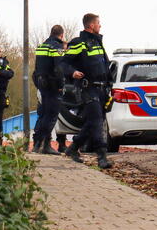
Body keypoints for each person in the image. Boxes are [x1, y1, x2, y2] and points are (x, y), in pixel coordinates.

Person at [60, 13, 113, 169]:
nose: (100, 26)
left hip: (102, 89)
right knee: (97, 122)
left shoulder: (97, 42)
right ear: (91, 25)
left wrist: (110, 85)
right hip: (88, 88)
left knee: (92, 122)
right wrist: (72, 72)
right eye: (98, 23)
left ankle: (72, 148)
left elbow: (105, 66)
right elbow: (63, 64)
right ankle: (102, 156)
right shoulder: (79, 43)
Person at [32, 25, 65, 155]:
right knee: (51, 116)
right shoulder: (57, 46)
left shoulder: (41, 47)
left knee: (43, 115)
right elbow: (59, 68)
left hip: (42, 85)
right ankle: (45, 145)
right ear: (61, 35)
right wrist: (61, 84)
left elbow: (36, 69)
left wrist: (38, 84)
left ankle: (37, 145)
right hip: (53, 86)